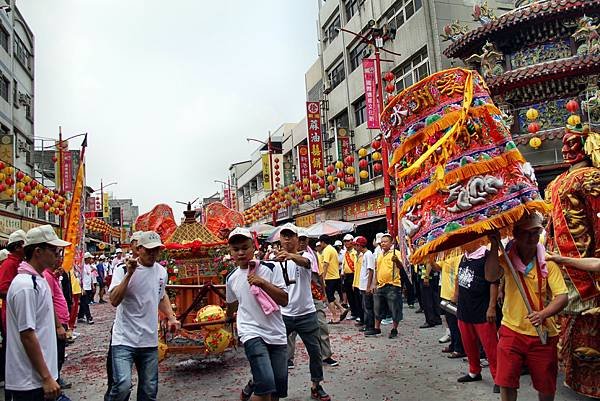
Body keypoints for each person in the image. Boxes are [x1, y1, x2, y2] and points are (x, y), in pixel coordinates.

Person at [485, 213, 569, 401]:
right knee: (506, 382)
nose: (532, 238)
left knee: (546, 386)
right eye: (527, 233)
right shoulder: (506, 259)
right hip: (511, 329)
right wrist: (493, 244)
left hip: (543, 333)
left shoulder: (548, 262)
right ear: (515, 234)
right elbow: (490, 277)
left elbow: (562, 296)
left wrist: (543, 314)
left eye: (536, 232)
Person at [544, 122, 600, 398]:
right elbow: (548, 226)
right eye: (563, 144)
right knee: (569, 325)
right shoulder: (555, 184)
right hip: (562, 266)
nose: (565, 149)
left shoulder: (592, 178)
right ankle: (575, 378)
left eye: (572, 144)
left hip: (588, 268)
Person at [107, 231, 180, 401]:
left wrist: (170, 317)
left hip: (149, 340)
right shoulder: (122, 269)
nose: (152, 253)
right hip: (124, 339)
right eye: (148, 250)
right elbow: (114, 300)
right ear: (138, 249)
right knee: (122, 386)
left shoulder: (161, 272)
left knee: (149, 390)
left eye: (156, 250)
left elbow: (161, 296)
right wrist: (129, 275)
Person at [5, 225, 70, 401]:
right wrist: (46, 377)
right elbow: (27, 334)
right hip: (30, 381)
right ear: (38, 251)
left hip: (42, 377)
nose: (58, 255)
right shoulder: (25, 286)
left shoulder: (39, 280)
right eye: (54, 250)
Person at [226, 227, 289, 401]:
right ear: (230, 251)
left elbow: (284, 300)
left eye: (244, 247)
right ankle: (258, 383)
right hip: (251, 332)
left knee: (276, 389)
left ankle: (253, 384)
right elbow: (231, 304)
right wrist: (226, 318)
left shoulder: (271, 268)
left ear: (253, 247)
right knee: (266, 387)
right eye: (236, 249)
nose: (240, 252)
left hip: (276, 333)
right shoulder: (231, 278)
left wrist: (262, 283)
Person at [276, 224, 331, 401]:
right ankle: (269, 385)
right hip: (284, 315)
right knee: (276, 352)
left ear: (297, 239)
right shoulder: (274, 259)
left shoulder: (307, 255)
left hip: (306, 314)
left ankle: (316, 385)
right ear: (280, 239)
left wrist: (290, 256)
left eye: (291, 236)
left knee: (314, 352)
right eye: (284, 236)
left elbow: (305, 263)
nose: (287, 239)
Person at [288, 229, 337, 368]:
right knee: (290, 330)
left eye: (305, 239)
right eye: (300, 239)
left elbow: (319, 273)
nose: (302, 242)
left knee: (322, 326)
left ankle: (326, 355)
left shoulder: (313, 255)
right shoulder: (285, 257)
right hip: (294, 297)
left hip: (314, 295)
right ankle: (287, 358)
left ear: (308, 240)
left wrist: (323, 291)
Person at [453, 247, 499, 393]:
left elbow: (493, 282)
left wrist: (491, 307)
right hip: (464, 308)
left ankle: (499, 378)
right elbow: (459, 278)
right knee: (468, 343)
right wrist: (456, 295)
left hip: (482, 309)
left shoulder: (486, 255)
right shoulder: (464, 257)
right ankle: (474, 371)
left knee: (490, 346)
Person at [0, 229, 26, 384]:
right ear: (18, 247)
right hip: (11, 312)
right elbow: (2, 288)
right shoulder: (9, 264)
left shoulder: (19, 263)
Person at [43, 253, 72, 391]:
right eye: (56, 256)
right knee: (57, 354)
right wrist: (58, 325)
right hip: (57, 323)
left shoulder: (52, 275)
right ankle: (55, 379)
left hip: (61, 321)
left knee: (59, 353)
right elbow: (49, 302)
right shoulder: (47, 276)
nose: (59, 259)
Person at [366, 233, 403, 338]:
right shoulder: (380, 254)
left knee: (394, 308)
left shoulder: (396, 253)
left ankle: (394, 329)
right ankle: (377, 328)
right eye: (381, 242)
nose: (383, 243)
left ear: (391, 243)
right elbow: (377, 270)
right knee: (377, 308)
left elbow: (401, 266)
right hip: (380, 285)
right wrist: (374, 283)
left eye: (385, 241)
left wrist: (397, 261)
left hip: (393, 284)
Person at [433, 255, 464, 358]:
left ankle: (459, 348)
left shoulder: (458, 256)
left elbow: (458, 276)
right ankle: (453, 345)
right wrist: (430, 260)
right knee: (450, 323)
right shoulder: (446, 255)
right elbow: (438, 268)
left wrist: (456, 294)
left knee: (456, 324)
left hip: (452, 295)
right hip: (445, 293)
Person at [319, 235, 347, 323]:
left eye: (320, 242)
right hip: (335, 276)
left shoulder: (327, 250)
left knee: (329, 298)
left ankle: (335, 317)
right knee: (330, 297)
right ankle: (341, 309)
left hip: (329, 277)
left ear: (323, 242)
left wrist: (322, 277)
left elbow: (326, 264)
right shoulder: (332, 249)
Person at [353, 236, 375, 333]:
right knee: (364, 306)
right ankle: (366, 324)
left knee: (368, 307)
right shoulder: (364, 254)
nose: (355, 248)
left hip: (366, 285)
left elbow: (371, 270)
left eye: (356, 245)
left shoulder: (368, 255)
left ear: (359, 245)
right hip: (362, 285)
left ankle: (370, 326)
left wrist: (368, 286)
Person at [341, 234, 360, 320]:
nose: (346, 243)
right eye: (345, 241)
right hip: (347, 276)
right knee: (349, 296)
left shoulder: (354, 252)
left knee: (355, 295)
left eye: (348, 241)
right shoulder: (346, 253)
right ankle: (353, 312)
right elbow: (344, 263)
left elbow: (356, 265)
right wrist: (342, 272)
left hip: (354, 275)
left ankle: (358, 313)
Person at [77, 252, 94, 325]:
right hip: (84, 287)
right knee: (85, 303)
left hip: (89, 286)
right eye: (90, 258)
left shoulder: (89, 266)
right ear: (87, 259)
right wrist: (81, 288)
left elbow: (90, 276)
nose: (91, 260)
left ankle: (80, 316)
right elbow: (79, 278)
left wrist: (92, 284)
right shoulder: (82, 267)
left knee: (84, 302)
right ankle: (89, 317)